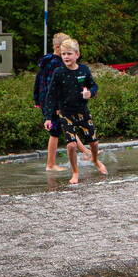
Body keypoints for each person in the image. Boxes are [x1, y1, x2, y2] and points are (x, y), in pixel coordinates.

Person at [42, 38, 108, 185]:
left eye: (69, 54)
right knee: (71, 145)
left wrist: (90, 93)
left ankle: (96, 161)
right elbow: (51, 95)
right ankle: (75, 172)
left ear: (77, 54)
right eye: (63, 54)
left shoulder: (84, 70)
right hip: (65, 113)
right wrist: (48, 117)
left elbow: (94, 86)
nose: (66, 57)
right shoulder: (58, 72)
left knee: (94, 143)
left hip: (82, 111)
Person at [34, 32, 90, 171]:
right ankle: (50, 164)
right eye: (65, 49)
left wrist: (36, 99)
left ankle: (86, 152)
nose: (67, 54)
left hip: (47, 101)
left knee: (66, 125)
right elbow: (56, 87)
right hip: (53, 103)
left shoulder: (47, 61)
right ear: (58, 47)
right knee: (55, 131)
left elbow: (38, 82)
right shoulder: (56, 64)